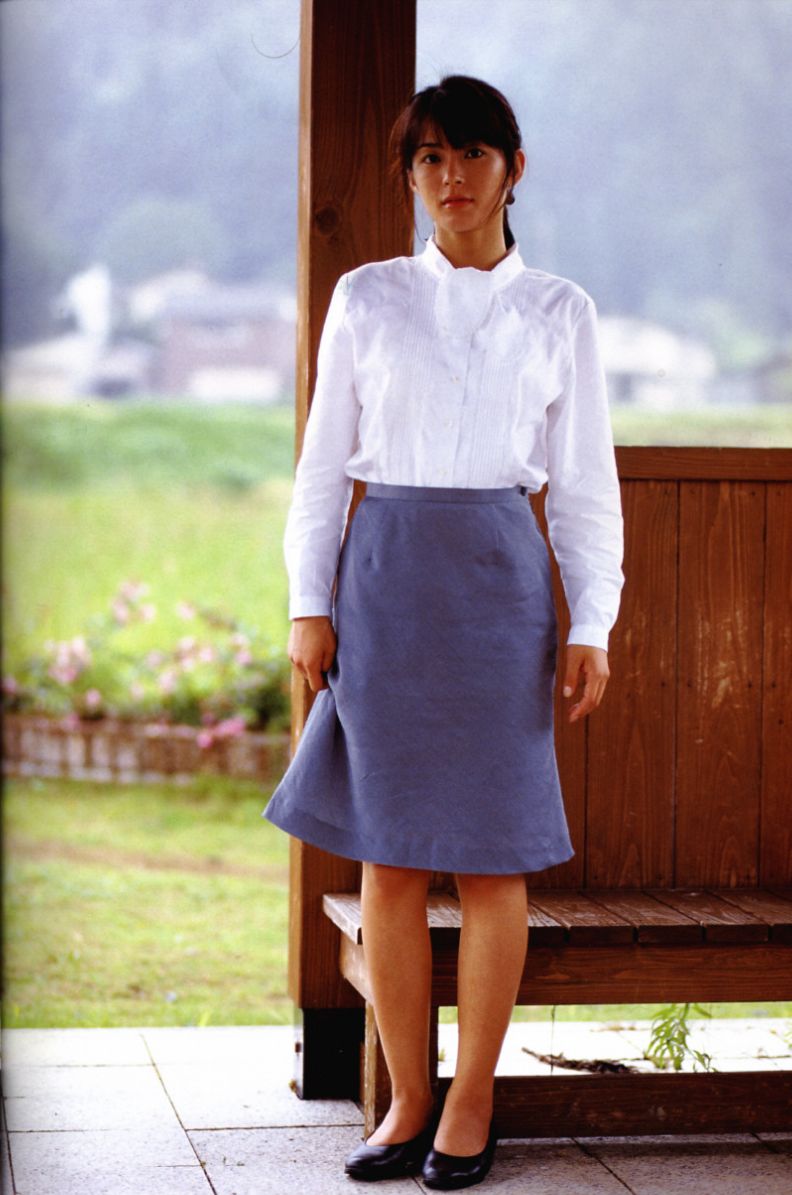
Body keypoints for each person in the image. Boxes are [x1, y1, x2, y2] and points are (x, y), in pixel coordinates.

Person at [262, 74, 625, 1190]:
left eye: (472, 154)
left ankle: (472, 1101)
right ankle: (408, 1100)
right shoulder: (367, 297)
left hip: (501, 591)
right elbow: (323, 464)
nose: (450, 178)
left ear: (515, 168)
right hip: (382, 585)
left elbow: (584, 485)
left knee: (492, 858)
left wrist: (593, 619)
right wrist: (309, 601)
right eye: (428, 158)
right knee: (391, 857)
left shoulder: (561, 310)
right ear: (410, 175)